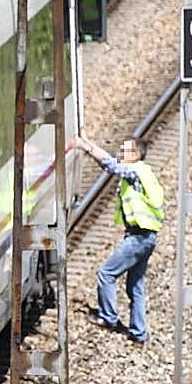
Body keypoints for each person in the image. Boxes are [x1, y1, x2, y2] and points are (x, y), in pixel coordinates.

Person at [73, 134, 165, 344]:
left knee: (106, 274)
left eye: (124, 151)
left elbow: (111, 166)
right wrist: (88, 141)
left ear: (135, 155)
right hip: (147, 237)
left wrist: (86, 148)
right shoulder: (145, 173)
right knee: (135, 286)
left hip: (138, 238)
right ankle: (139, 333)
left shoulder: (135, 171)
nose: (119, 154)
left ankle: (108, 318)